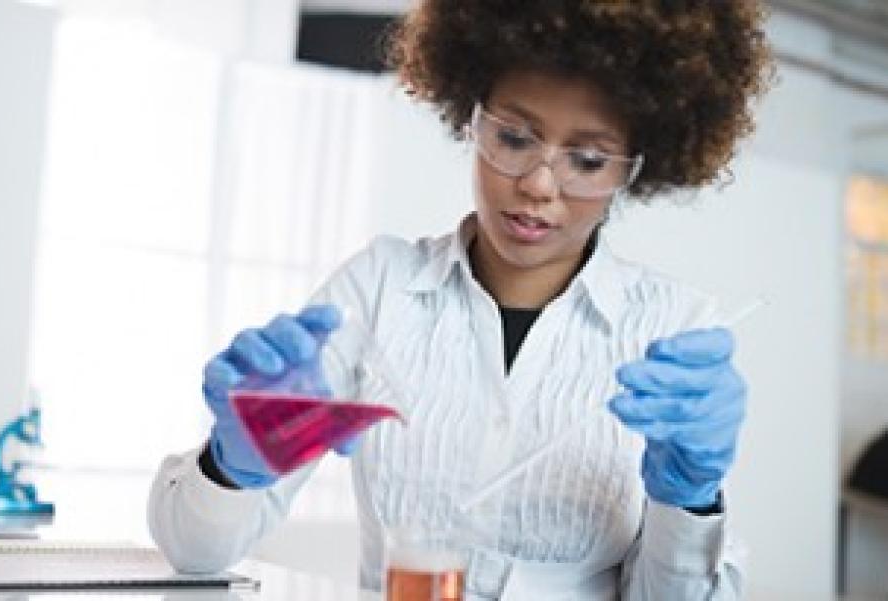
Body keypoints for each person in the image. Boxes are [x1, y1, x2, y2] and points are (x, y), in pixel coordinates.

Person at [148, 1, 773, 599]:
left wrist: (689, 499)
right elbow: (194, 556)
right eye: (514, 137)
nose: (537, 183)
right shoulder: (378, 289)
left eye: (587, 159)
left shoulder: (671, 331)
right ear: (470, 118)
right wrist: (234, 463)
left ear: (638, 169)